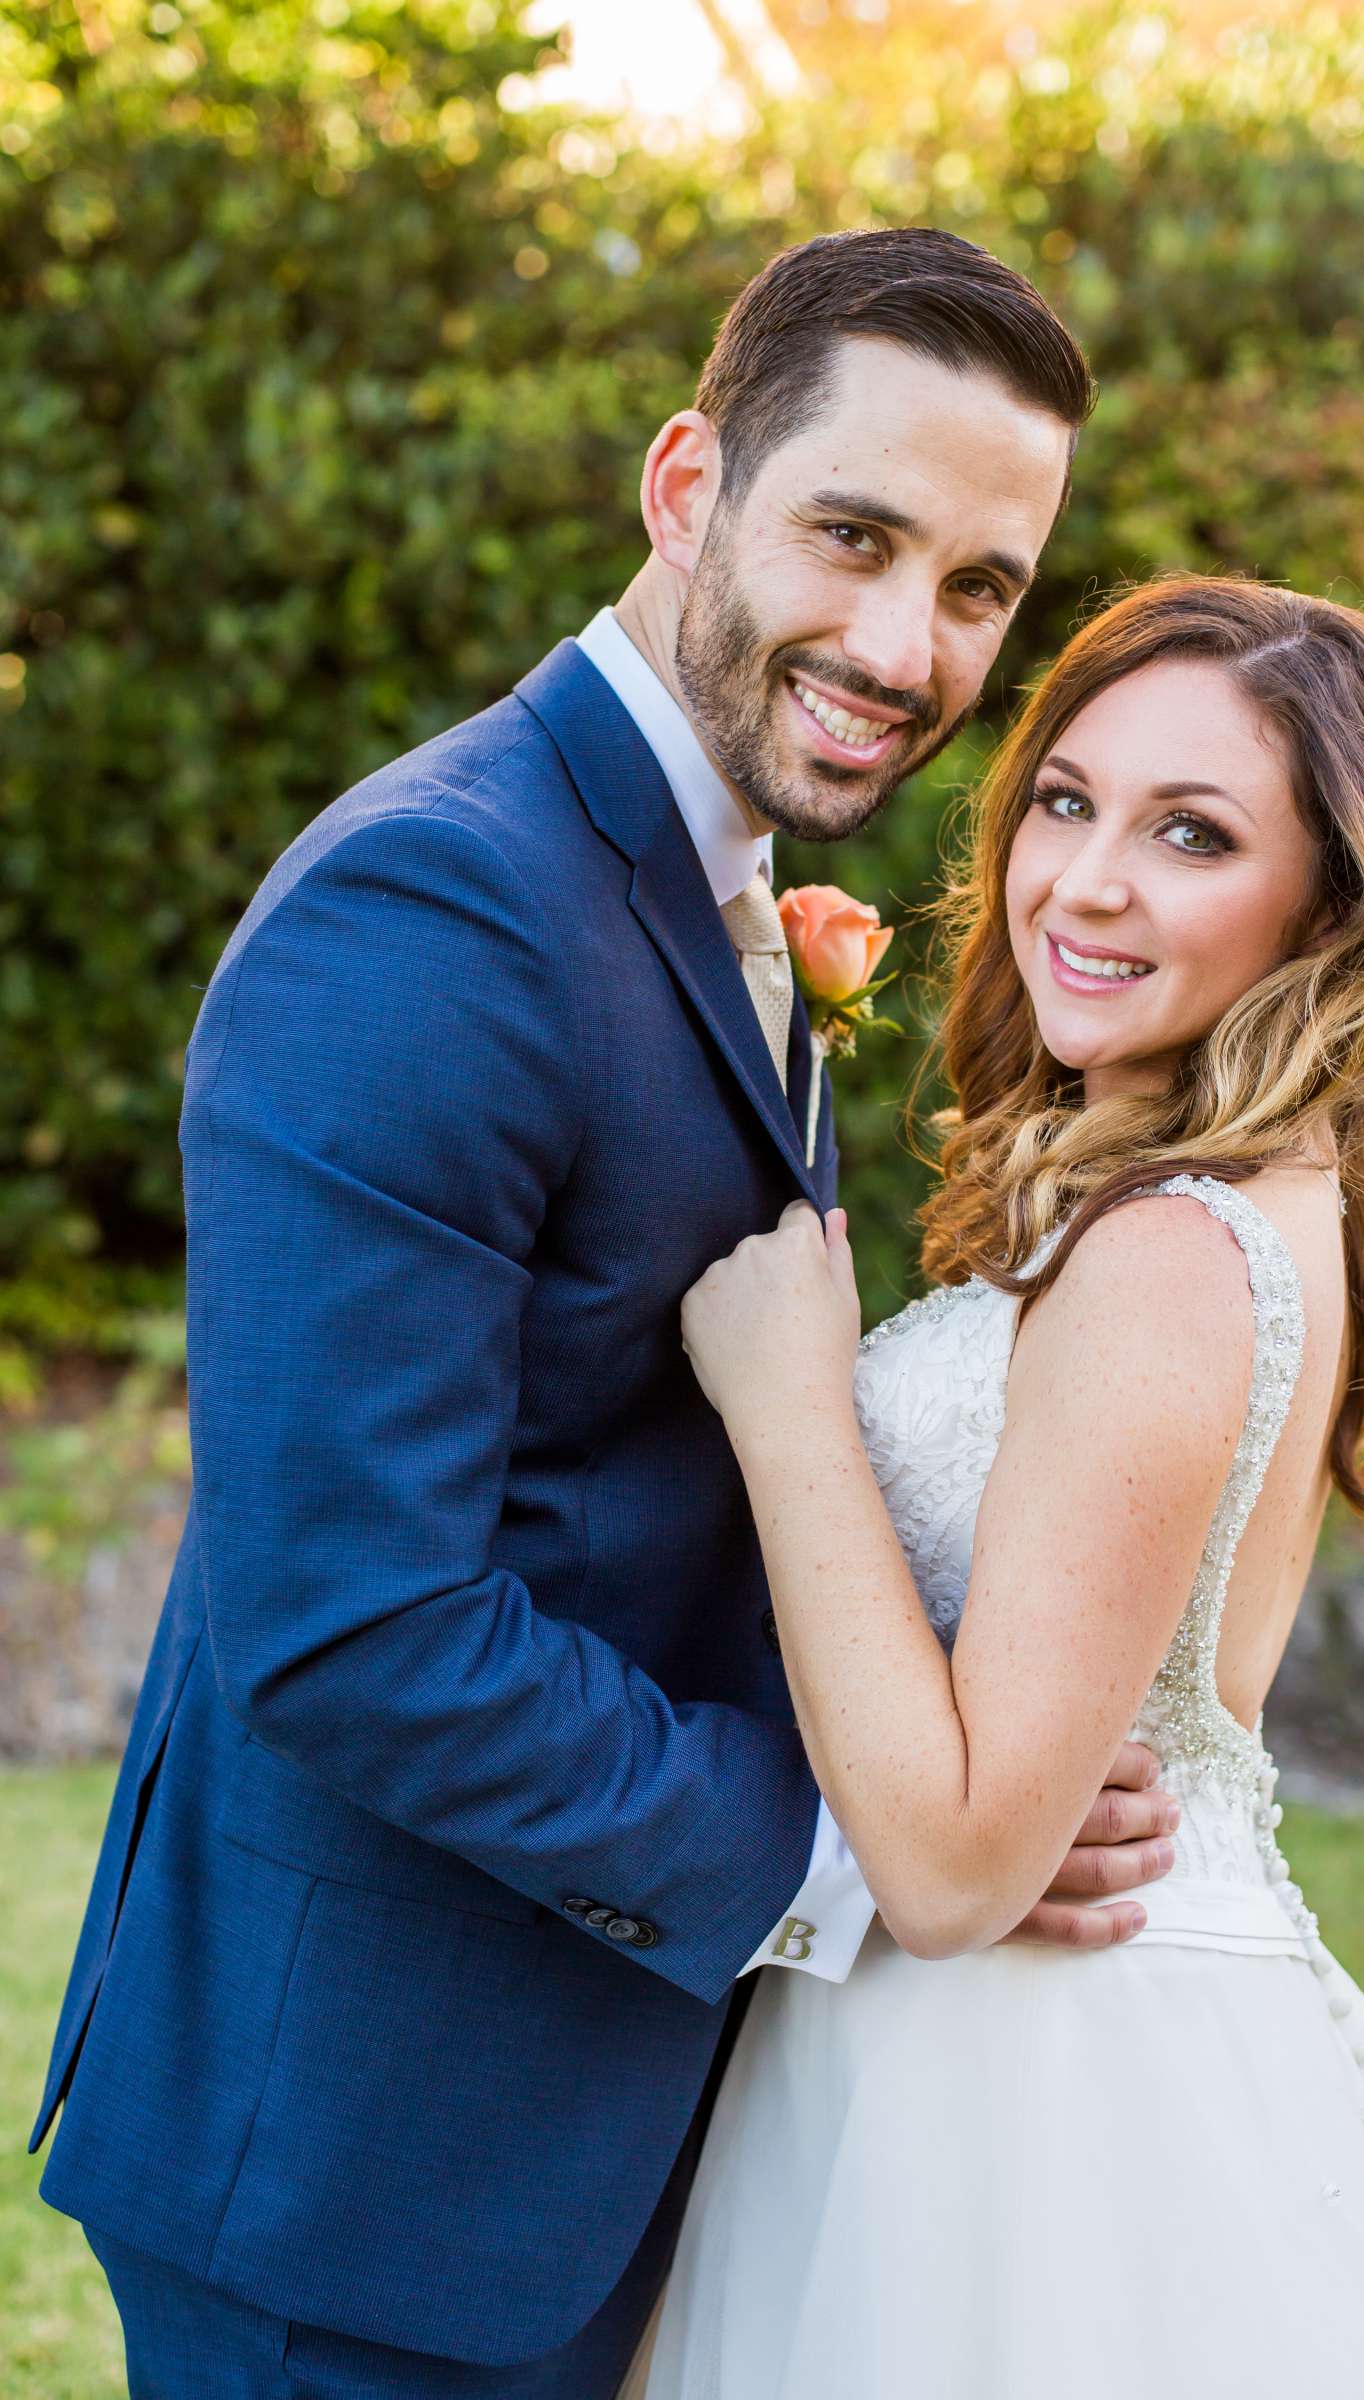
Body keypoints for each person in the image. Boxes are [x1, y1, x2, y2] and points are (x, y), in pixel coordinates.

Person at [30, 229, 1183, 2398]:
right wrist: (869, 1847)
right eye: (850, 533)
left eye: (974, 587)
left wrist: (973, 1761)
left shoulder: (703, 875)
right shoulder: (439, 901)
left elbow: (636, 1487)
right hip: (363, 2176)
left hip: (579, 2121)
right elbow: (354, 1620)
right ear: (684, 484)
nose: (899, 641)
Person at [643, 574, 1364, 2397]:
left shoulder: (1173, 1252)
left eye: (1193, 835)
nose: (1085, 881)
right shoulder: (1244, 1197)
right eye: (1067, 800)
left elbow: (949, 1867)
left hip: (1043, 2084)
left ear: (1327, 903)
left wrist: (790, 1413)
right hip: (997, 2036)